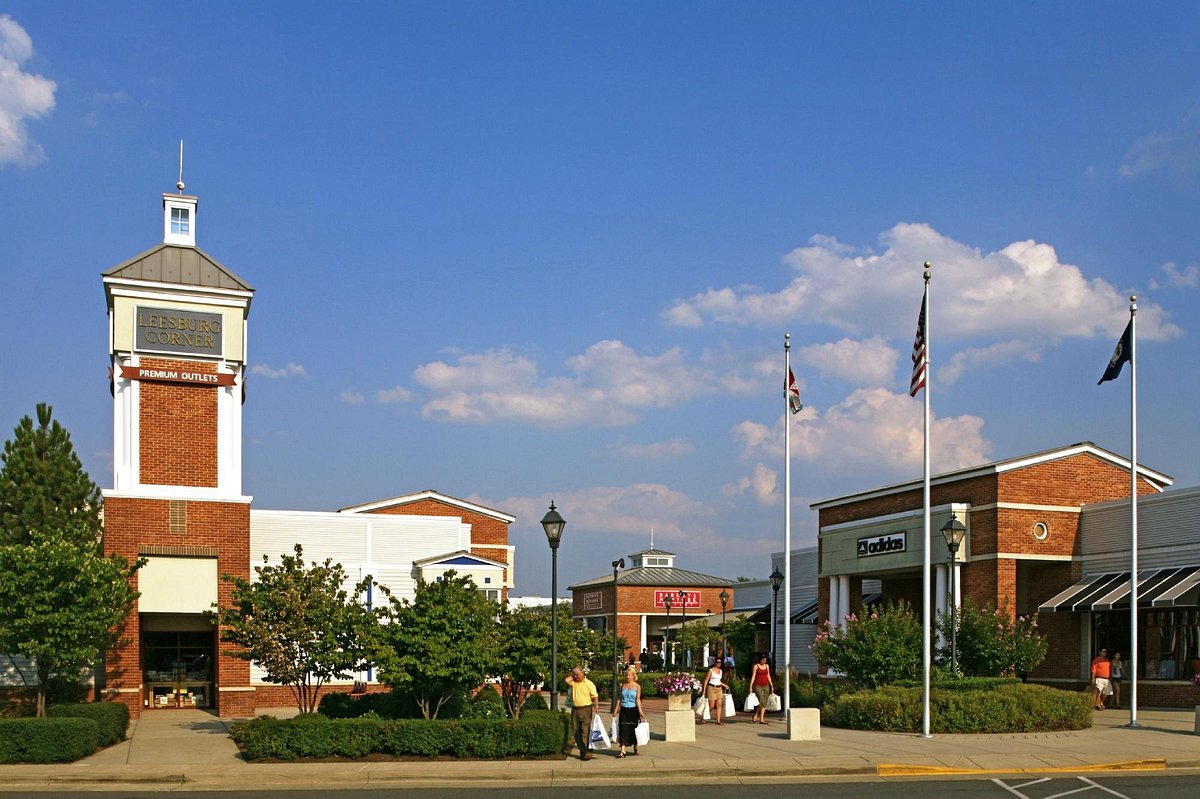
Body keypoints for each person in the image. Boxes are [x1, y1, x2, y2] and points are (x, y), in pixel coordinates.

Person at [565, 666, 600, 760]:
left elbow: (595, 696)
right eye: (574, 675)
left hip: (586, 709)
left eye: (577, 675)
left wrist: (596, 706)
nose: (575, 676)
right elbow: (566, 680)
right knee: (576, 731)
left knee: (585, 731)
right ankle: (582, 750)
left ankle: (587, 752)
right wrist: (574, 675)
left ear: (583, 673)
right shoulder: (574, 683)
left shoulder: (589, 684)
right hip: (575, 709)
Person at [611, 665, 646, 757]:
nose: (627, 677)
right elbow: (619, 699)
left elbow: (638, 700)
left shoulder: (637, 687)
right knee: (623, 729)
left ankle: (635, 747)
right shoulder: (622, 685)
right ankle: (623, 750)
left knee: (633, 729)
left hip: (633, 710)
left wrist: (640, 711)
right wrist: (615, 710)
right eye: (627, 675)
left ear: (633, 676)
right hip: (624, 710)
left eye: (629, 675)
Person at [700, 654, 725, 725]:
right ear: (715, 663)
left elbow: (719, 681)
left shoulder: (720, 671)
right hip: (711, 688)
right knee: (711, 706)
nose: (719, 664)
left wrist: (724, 685)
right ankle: (704, 717)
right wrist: (704, 690)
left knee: (719, 704)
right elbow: (706, 680)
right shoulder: (711, 670)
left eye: (720, 662)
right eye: (717, 662)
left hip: (719, 688)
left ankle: (718, 720)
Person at [750, 653, 774, 725]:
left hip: (766, 685)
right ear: (760, 660)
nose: (764, 661)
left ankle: (758, 717)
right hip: (758, 686)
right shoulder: (756, 666)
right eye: (763, 660)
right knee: (762, 701)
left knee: (764, 703)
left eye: (765, 660)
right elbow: (753, 676)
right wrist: (751, 686)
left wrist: (771, 685)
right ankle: (760, 718)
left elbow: (768, 675)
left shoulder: (767, 666)